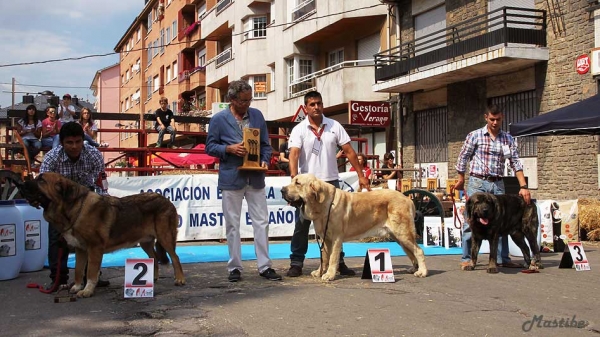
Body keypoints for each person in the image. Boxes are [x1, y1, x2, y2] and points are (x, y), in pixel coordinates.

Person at [286, 90, 371, 277]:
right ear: (306, 108)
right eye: (312, 104)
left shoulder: (334, 126)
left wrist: (361, 175)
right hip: (307, 186)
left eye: (319, 103)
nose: (317, 107)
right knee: (302, 224)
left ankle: (338, 262)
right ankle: (296, 262)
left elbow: (349, 151)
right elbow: (293, 154)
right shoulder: (299, 129)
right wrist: (294, 181)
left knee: (336, 225)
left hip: (331, 183)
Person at [206, 80, 282, 282]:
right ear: (231, 99)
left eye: (249, 100)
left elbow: (266, 145)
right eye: (243, 101)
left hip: (255, 176)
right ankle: (234, 267)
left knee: (262, 221)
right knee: (232, 223)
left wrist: (265, 161)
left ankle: (265, 266)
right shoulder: (218, 119)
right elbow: (210, 147)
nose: (247, 104)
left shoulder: (257, 115)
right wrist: (228, 149)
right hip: (232, 176)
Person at [454, 104, 531, 270]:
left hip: (497, 182)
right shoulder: (475, 136)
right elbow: (462, 158)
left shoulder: (508, 139)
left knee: (500, 220)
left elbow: (515, 163)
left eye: (498, 119)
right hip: (478, 182)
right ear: (486, 118)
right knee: (471, 221)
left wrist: (523, 186)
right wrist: (461, 178)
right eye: (492, 119)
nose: (495, 122)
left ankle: (503, 258)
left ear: (502, 118)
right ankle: (467, 258)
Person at [40, 122, 110, 291]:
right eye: (69, 143)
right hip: (60, 205)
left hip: (87, 203)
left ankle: (91, 277)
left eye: (78, 141)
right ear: (62, 143)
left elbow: (101, 183)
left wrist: (103, 208)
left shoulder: (94, 155)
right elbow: (42, 187)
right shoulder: (51, 158)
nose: (74, 146)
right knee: (57, 239)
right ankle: (58, 278)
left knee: (92, 240)